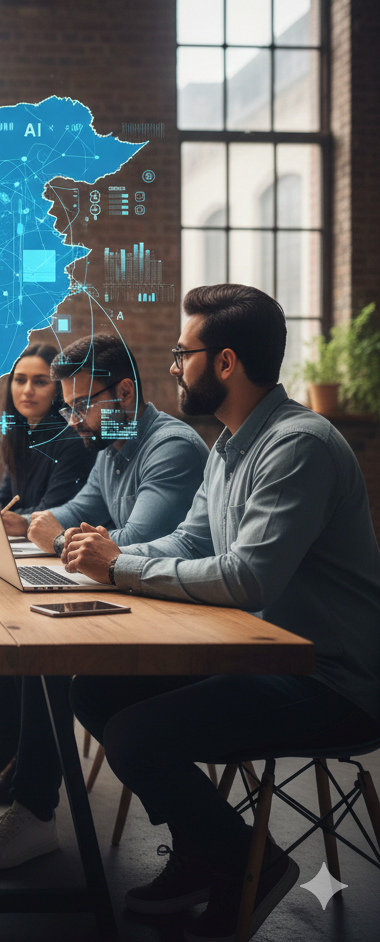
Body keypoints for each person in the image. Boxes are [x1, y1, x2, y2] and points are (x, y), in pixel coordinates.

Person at [65, 284, 380, 942]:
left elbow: (245, 576)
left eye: (184, 353)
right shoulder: (232, 445)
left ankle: (247, 863)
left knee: (136, 738)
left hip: (328, 678)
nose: (175, 366)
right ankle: (205, 850)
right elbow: (189, 543)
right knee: (92, 687)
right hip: (257, 653)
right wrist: (106, 555)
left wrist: (120, 566)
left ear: (227, 362)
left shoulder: (299, 447)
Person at [0, 332, 210, 869]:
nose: (72, 419)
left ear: (125, 393)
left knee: (48, 655)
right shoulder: (109, 447)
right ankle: (33, 807)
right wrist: (29, 523)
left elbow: (126, 547)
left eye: (82, 405)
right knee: (38, 635)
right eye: (69, 405)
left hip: (180, 620)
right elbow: (77, 513)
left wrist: (53, 538)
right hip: (137, 602)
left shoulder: (169, 446)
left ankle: (34, 812)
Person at [0, 343, 95, 803]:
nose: (27, 389)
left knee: (12, 622)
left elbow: (60, 512)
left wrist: (20, 519)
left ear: (58, 390)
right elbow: (3, 497)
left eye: (40, 381)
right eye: (20, 380)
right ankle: (7, 736)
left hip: (63, 560)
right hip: (33, 556)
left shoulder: (69, 442)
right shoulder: (19, 434)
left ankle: (15, 744)